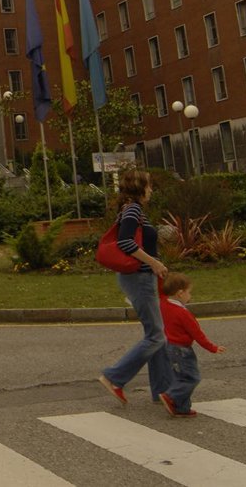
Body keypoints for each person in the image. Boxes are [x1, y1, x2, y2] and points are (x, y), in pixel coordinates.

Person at [98, 169, 170, 405]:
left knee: (157, 335)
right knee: (156, 335)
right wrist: (154, 262)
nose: (151, 190)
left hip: (141, 277)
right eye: (149, 185)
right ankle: (114, 377)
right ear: (140, 188)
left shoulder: (132, 209)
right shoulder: (133, 210)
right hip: (139, 277)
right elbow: (125, 242)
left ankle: (164, 391)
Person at [158, 272, 225, 418]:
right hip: (183, 350)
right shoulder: (183, 313)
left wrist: (160, 275)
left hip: (170, 347)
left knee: (180, 377)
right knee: (192, 378)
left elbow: (161, 292)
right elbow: (197, 334)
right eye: (189, 292)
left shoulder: (164, 303)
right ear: (180, 293)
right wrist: (212, 348)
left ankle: (182, 408)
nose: (190, 296)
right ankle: (171, 396)